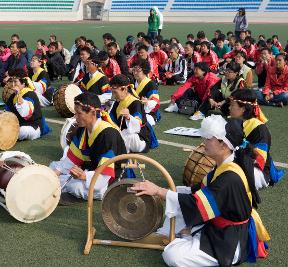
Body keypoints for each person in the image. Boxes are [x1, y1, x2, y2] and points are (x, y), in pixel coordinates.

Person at [132, 115, 270, 267]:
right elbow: (197, 191)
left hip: (228, 240)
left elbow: (197, 205)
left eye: (208, 139)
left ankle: (183, 238)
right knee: (178, 209)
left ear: (223, 145)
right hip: (216, 225)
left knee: (172, 256)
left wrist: (159, 191)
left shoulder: (230, 177)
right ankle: (182, 236)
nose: (204, 143)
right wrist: (166, 190)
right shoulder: (223, 165)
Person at [49, 92, 127, 200]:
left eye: (79, 114)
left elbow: (104, 176)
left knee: (75, 186)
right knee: (53, 168)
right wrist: (55, 174)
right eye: (75, 113)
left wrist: (84, 176)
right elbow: (72, 159)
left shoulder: (108, 134)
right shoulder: (82, 129)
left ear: (93, 112)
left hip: (112, 178)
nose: (75, 118)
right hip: (93, 169)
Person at [229, 89, 285, 189]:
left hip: (258, 171)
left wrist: (242, 145)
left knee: (226, 179)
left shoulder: (259, 129)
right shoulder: (234, 122)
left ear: (243, 109)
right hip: (237, 163)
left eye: (232, 105)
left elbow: (260, 160)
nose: (229, 108)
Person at [108, 74, 158, 153]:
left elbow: (137, 127)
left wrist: (128, 117)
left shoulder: (135, 103)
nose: (113, 95)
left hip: (140, 138)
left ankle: (120, 158)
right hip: (124, 133)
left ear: (124, 89)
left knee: (128, 137)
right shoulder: (117, 101)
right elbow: (110, 119)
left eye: (115, 92)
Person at [4, 70, 49, 141]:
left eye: (15, 82)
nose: (13, 85)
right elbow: (7, 112)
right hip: (18, 124)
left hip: (33, 126)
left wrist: (19, 95)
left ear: (23, 84)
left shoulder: (30, 94)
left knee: (22, 131)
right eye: (12, 82)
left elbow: (25, 112)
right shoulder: (13, 96)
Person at [131, 59, 161, 126]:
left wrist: (147, 102)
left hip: (149, 114)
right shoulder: (131, 83)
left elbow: (155, 102)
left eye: (138, 71)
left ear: (144, 70)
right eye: (134, 70)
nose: (135, 73)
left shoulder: (151, 84)